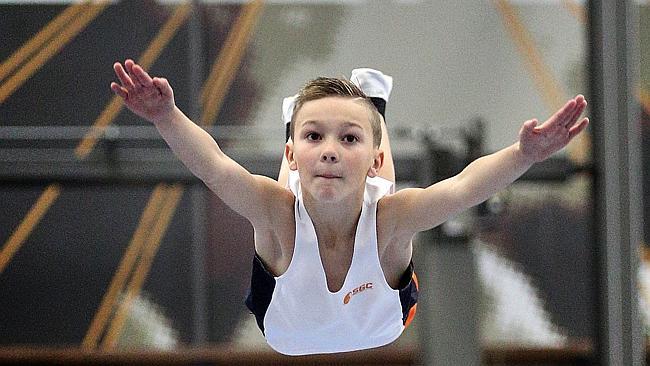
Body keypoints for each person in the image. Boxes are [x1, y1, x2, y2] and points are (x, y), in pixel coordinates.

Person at [110, 59, 589, 355]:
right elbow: (214, 167)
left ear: (376, 156)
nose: (330, 149)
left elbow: (464, 188)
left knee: (382, 202)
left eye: (349, 139)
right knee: (290, 198)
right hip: (289, 323)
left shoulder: (389, 219)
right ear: (292, 153)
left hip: (380, 319)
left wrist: (524, 154)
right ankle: (339, 112)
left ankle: (365, 108)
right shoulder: (277, 212)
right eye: (314, 136)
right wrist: (166, 117)